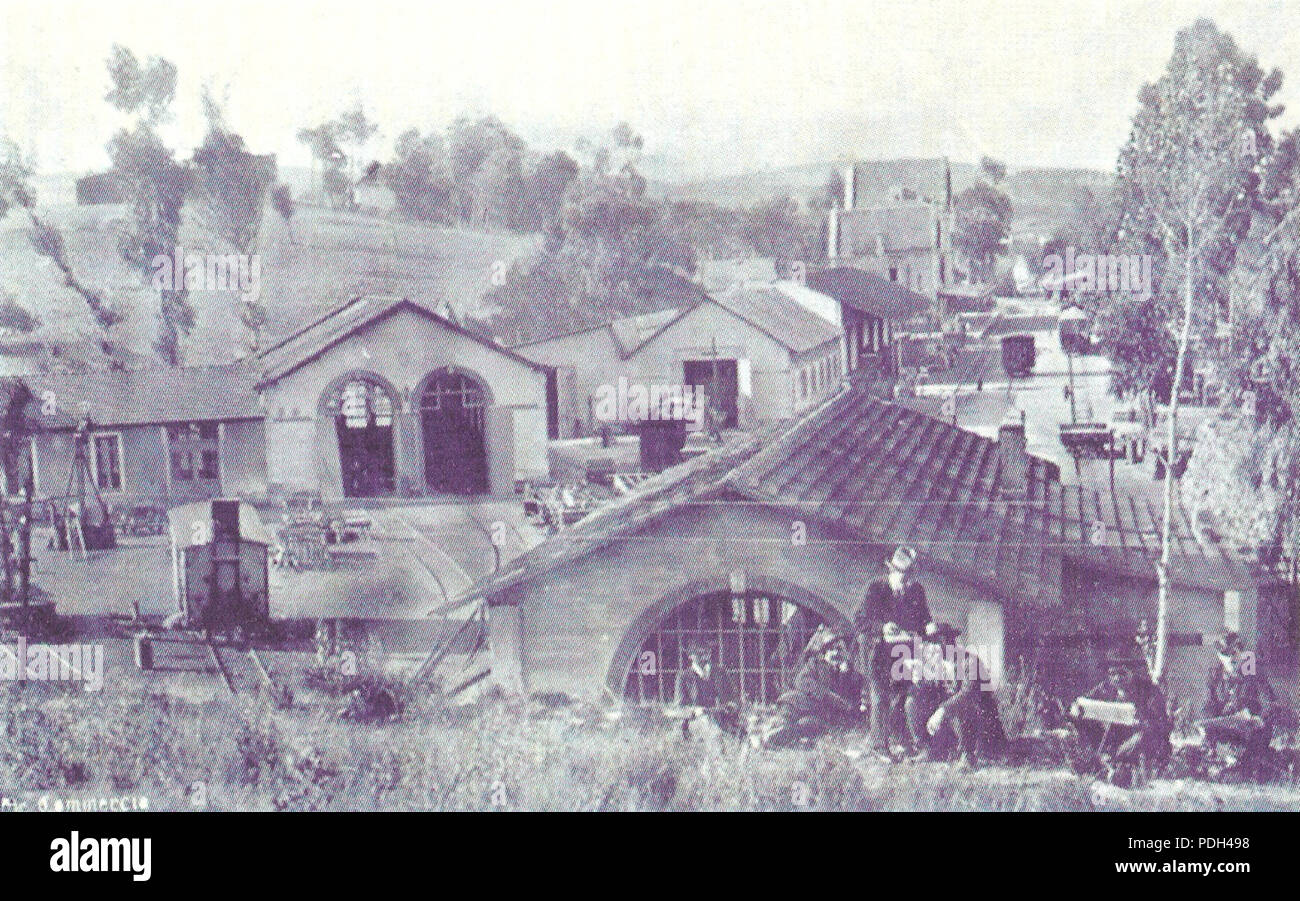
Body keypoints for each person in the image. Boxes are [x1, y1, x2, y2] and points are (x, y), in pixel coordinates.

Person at [854, 546, 932, 757]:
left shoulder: (916, 591)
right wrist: (882, 627)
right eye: (902, 577)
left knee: (903, 696)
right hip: (877, 652)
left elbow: (924, 619)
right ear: (891, 571)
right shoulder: (876, 589)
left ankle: (901, 741)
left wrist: (928, 627)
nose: (906, 583)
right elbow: (860, 622)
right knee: (879, 698)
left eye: (909, 578)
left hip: (903, 652)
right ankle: (879, 747)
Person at [906, 622, 1005, 765]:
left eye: (932, 643)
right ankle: (927, 750)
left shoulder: (969, 662)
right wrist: (918, 683)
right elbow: (931, 689)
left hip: (980, 724)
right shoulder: (937, 662)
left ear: (944, 642)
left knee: (960, 705)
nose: (928, 648)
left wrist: (942, 710)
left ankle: (968, 755)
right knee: (913, 701)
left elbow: (968, 694)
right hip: (954, 722)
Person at [1073, 650, 1170, 786]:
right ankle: (1097, 763)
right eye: (1113, 674)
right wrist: (1077, 708)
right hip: (1113, 741)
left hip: (1141, 743)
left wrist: (1141, 720)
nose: (1117, 678)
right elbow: (1084, 702)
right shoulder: (1106, 688)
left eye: (1122, 673)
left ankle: (1110, 763)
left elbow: (1160, 726)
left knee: (1143, 736)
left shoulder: (1149, 691)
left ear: (1132, 672)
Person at [761, 628, 864, 748]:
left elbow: (850, 703)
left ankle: (781, 737)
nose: (835, 653)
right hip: (811, 706)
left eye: (839, 649)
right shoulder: (815, 664)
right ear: (824, 652)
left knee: (806, 723)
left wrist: (844, 675)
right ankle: (778, 730)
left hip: (828, 717)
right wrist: (825, 694)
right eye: (831, 649)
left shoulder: (851, 673)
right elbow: (801, 681)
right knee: (792, 699)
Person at [1201, 632, 1276, 779]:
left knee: (1252, 760)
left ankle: (1241, 765)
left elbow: (1269, 702)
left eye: (1236, 655)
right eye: (1226, 656)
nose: (1232, 660)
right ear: (1219, 656)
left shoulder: (1254, 673)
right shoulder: (1214, 676)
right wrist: (1207, 724)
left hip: (1250, 731)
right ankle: (1223, 763)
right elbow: (1207, 706)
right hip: (1225, 731)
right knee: (1209, 745)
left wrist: (1259, 718)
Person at [671, 640, 739, 737]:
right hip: (697, 721)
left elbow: (734, 697)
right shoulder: (683, 677)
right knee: (713, 732)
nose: (703, 653)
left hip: (723, 717)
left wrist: (730, 706)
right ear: (690, 656)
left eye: (706, 650)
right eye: (698, 651)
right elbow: (679, 707)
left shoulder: (720, 672)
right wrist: (695, 711)